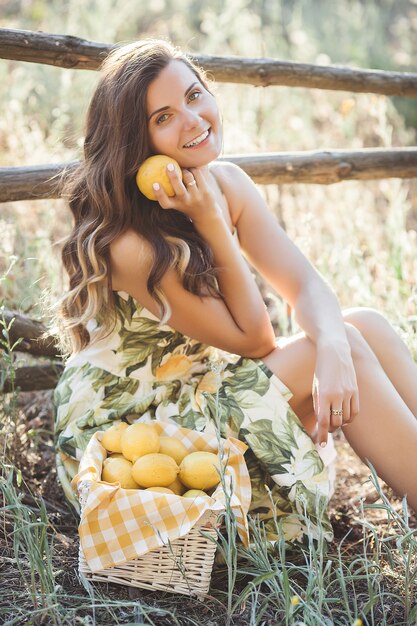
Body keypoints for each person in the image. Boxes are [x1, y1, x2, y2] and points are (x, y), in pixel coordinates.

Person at [54, 39, 417, 543]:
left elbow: (306, 283)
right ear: (135, 144)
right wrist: (212, 225)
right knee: (336, 343)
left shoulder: (224, 182)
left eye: (194, 95)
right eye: (163, 117)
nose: (193, 119)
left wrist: (333, 344)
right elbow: (255, 340)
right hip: (137, 433)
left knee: (362, 327)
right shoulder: (129, 245)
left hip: (204, 385)